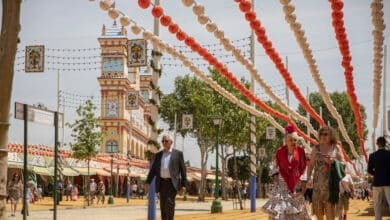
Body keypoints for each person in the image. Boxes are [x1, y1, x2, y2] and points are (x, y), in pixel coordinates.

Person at [262, 124, 310, 220]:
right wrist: (276, 182)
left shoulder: (300, 152)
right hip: (281, 187)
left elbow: (304, 168)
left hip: (296, 187)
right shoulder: (280, 152)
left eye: (295, 140)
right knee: (279, 214)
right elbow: (275, 168)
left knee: (297, 214)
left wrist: (303, 189)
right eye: (291, 140)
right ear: (286, 141)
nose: (293, 142)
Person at [145, 134, 187, 220]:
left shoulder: (178, 154)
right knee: (163, 205)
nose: (164, 143)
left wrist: (183, 185)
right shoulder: (158, 155)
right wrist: (148, 182)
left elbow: (183, 171)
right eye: (163, 141)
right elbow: (153, 170)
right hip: (161, 183)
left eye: (166, 141)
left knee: (169, 203)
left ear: (171, 142)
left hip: (172, 183)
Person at [307, 126, 345, 220]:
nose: (323, 136)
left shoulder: (336, 147)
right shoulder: (316, 148)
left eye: (325, 134)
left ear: (331, 135)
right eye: (321, 134)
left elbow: (344, 164)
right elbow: (311, 165)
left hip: (330, 185)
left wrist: (333, 161)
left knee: (330, 212)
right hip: (317, 186)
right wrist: (308, 177)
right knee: (318, 210)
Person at [367, 136, 390, 220]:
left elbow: (369, 170)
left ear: (377, 144)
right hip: (388, 182)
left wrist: (376, 173)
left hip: (377, 182)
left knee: (377, 204)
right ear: (385, 144)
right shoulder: (389, 154)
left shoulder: (372, 155)